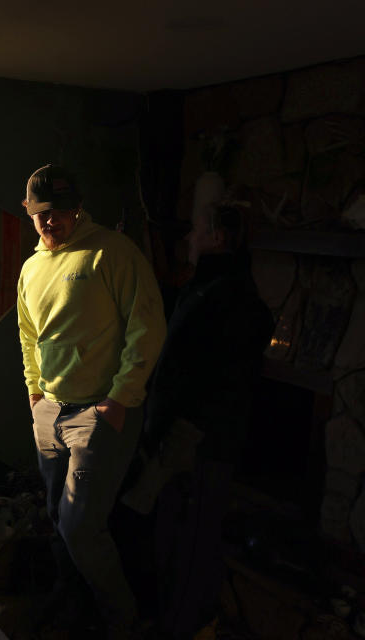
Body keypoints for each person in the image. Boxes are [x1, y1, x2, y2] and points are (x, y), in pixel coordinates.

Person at [17, 165, 167, 637]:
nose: (51, 221)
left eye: (60, 211)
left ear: (77, 208)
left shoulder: (112, 252)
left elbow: (148, 328)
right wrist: (35, 391)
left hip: (98, 413)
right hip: (49, 411)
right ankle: (74, 609)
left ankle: (122, 622)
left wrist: (119, 400)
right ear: (30, 213)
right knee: (58, 520)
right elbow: (28, 335)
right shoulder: (31, 267)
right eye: (42, 213)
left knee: (81, 525)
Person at [133, 203, 274, 639]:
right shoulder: (224, 292)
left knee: (185, 545)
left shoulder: (218, 298)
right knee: (181, 538)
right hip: (205, 440)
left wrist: (152, 432)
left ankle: (177, 627)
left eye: (196, 231)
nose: (188, 240)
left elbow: (178, 376)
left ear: (217, 238)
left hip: (197, 443)